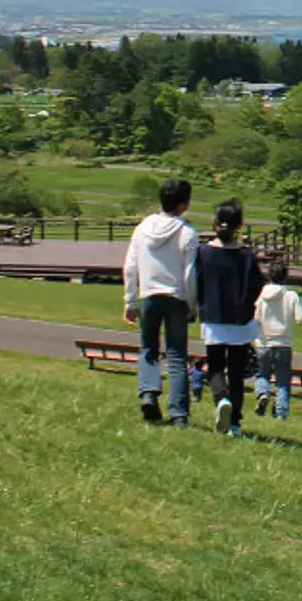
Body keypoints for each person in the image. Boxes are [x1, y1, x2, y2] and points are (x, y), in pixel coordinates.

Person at [122, 178, 200, 427]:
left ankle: (148, 393)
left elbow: (130, 267)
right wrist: (192, 303)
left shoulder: (143, 228)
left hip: (148, 295)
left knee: (148, 348)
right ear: (183, 204)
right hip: (175, 296)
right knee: (177, 355)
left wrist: (130, 300)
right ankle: (178, 413)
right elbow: (189, 273)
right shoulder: (187, 232)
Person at [196, 199, 265, 436]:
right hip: (240, 321)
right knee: (237, 373)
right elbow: (257, 285)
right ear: (240, 225)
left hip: (213, 317)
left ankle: (220, 399)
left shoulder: (203, 252)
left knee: (215, 366)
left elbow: (197, 282)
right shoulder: (246, 256)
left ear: (214, 223)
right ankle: (234, 422)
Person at [252, 256, 302, 420]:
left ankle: (263, 393)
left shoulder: (262, 295)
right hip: (283, 342)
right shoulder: (291, 295)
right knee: (283, 381)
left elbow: (255, 317)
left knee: (262, 374)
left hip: (263, 342)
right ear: (285, 276)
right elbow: (301, 318)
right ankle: (281, 413)